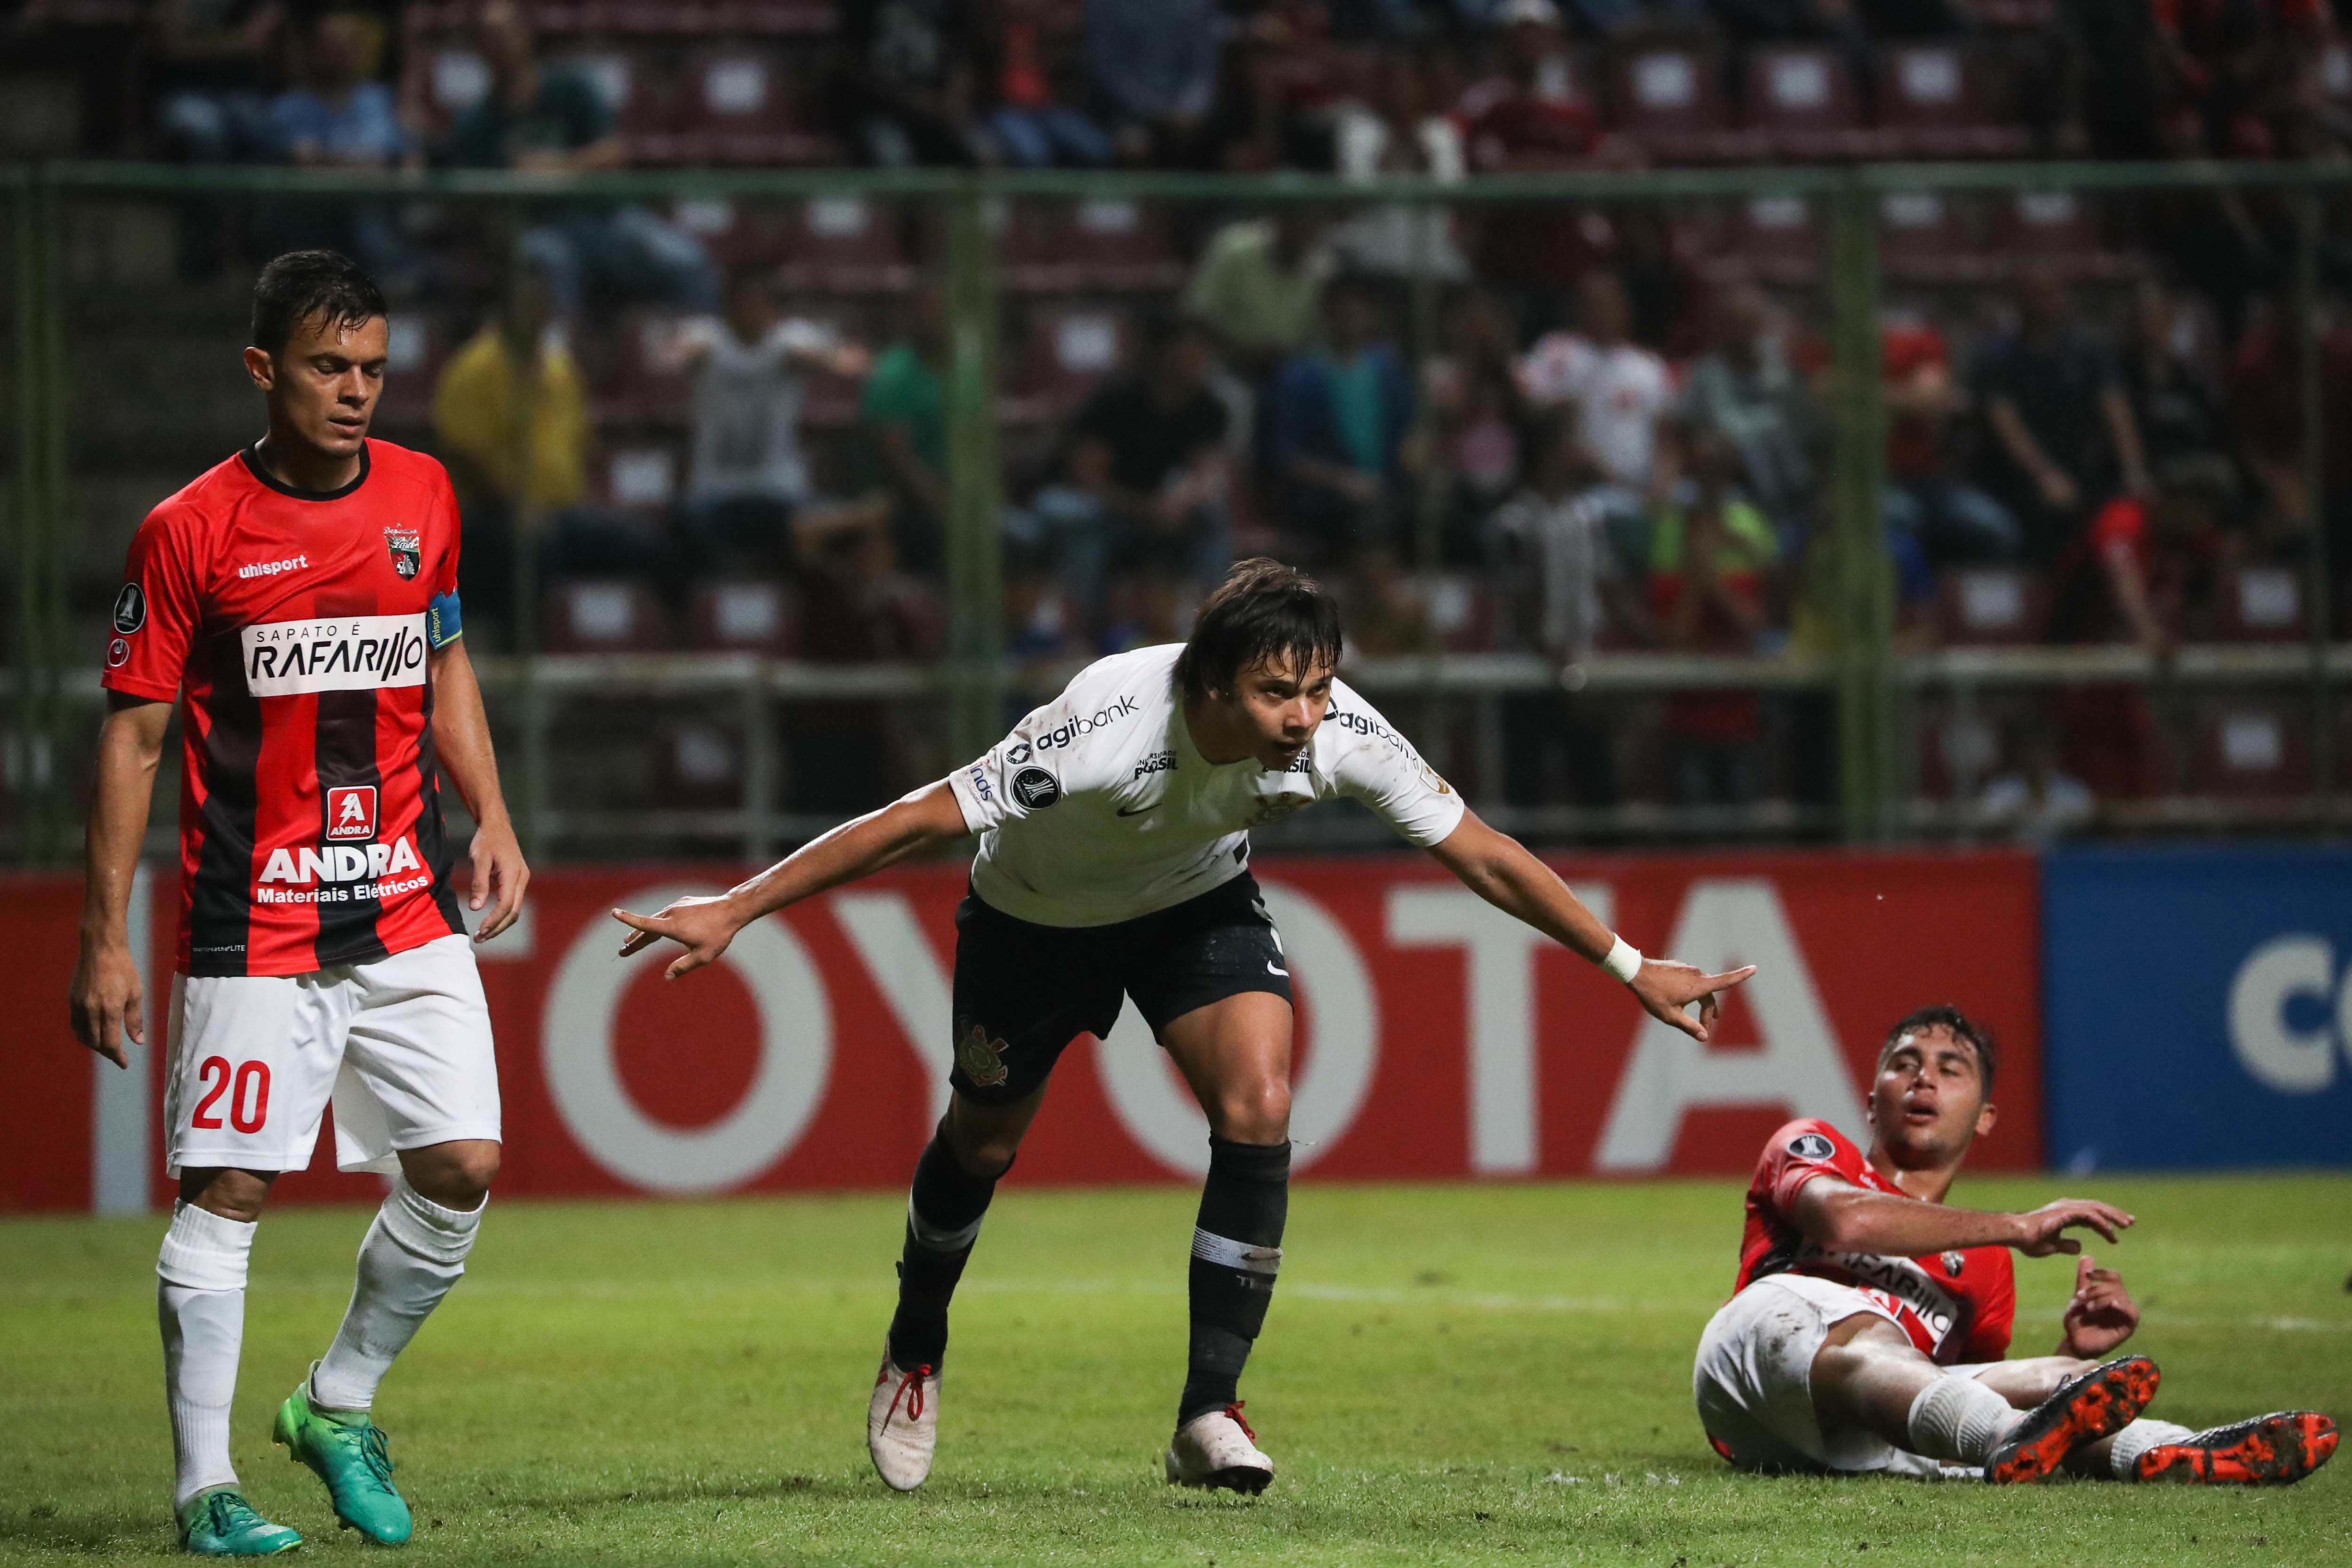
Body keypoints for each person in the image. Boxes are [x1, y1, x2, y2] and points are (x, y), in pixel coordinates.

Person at [611, 557, 1756, 1497]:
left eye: (1315, 689)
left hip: (1191, 908)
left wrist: (1625, 962)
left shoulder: (1337, 728)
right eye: (1275, 695)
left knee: (1258, 1103)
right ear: (1207, 685)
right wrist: (739, 906)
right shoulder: (1101, 726)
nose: (1303, 720)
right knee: (985, 1145)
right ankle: (916, 1341)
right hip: (1032, 925)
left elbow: (1482, 853)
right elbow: (916, 820)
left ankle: (1209, 1411)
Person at [66, 250, 528, 1555]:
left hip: (402, 903)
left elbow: (442, 662)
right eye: (330, 367)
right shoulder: (188, 530)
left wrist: (491, 811)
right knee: (230, 1189)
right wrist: (105, 936)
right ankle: (204, 1485)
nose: (357, 392)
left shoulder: (424, 492)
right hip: (251, 921)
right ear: (264, 367)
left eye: (376, 369)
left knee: (464, 1167)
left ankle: (338, 1401)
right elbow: (134, 742)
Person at [1694, 1006, 2338, 1485]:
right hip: (1754, 1374)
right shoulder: (1815, 1149)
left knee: (2064, 1382)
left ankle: (2191, 1454)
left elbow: (1959, 1386)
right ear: (1872, 1100)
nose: (1924, 1080)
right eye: (1904, 1064)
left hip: (1858, 1439)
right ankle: (2005, 1438)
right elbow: (1846, 1225)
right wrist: (2020, 1224)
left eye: (1951, 1069)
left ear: (1985, 1116)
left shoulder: (1986, 1268)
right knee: (1874, 1331)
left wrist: (2071, 1352)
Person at [439, 0, 715, 317]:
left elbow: (611, 153)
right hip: (540, 229)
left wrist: (554, 169)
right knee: (545, 263)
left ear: (524, 35)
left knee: (688, 262)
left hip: (604, 219)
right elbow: (472, 200)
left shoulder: (570, 87)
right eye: (488, 37)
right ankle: (559, 361)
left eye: (505, 33)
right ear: (479, 50)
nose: (499, 44)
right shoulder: (475, 125)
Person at [1027, 311, 1232, 634]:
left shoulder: (1209, 408)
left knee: (1211, 521)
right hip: (1093, 503)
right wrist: (1146, 509)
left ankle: (1220, 629)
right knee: (1082, 526)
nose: (1198, 360)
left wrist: (1181, 501)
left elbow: (1206, 471)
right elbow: (1086, 478)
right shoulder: (1118, 399)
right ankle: (1081, 631)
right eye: (1189, 350)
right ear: (1162, 353)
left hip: (1154, 511)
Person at [666, 270, 873, 581]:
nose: (751, 311)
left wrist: (805, 358)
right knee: (683, 527)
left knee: (838, 527)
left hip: (780, 491)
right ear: (727, 307)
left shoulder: (791, 339)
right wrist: (699, 356)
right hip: (715, 492)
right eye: (742, 303)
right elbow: (671, 356)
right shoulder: (706, 337)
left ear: (771, 309)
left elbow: (855, 364)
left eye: (758, 303)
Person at [1973, 270, 2149, 561]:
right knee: (2049, 511)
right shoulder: (1998, 358)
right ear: (2020, 302)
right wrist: (2045, 476)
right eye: (2038, 295)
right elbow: (2007, 425)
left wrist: (2134, 470)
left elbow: (2117, 413)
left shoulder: (2090, 353)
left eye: (2054, 294)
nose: (2047, 303)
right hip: (2018, 480)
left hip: (2084, 472)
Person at [1266, 275, 1417, 561]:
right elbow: (1287, 457)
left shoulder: (1387, 370)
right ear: (1327, 315)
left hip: (1387, 490)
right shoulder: (1300, 376)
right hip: (1327, 500)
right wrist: (1345, 482)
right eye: (1344, 312)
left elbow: (1409, 434)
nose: (1352, 319)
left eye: (1360, 311)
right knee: (1370, 522)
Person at [1521, 270, 1676, 496]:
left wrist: (1662, 486)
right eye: (1591, 304)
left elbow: (1666, 436)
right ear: (1577, 308)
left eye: (1608, 305)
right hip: (1572, 490)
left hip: (1639, 494)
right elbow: (1527, 407)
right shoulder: (1554, 350)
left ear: (1625, 310)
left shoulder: (1648, 367)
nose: (1601, 313)